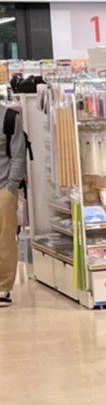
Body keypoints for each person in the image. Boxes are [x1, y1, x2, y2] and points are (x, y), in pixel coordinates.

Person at [0, 101, 25, 307]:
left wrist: (11, 187)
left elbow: (18, 155)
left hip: (3, 188)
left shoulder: (9, 118)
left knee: (5, 239)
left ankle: (3, 287)